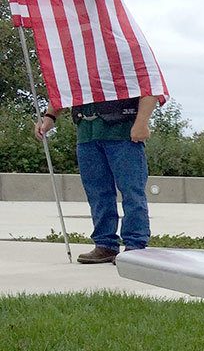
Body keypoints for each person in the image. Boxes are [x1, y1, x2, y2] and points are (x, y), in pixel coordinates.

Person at [34, 96, 158, 264]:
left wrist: (142, 122)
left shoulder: (127, 67)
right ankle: (105, 244)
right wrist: (50, 117)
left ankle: (135, 245)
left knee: (132, 191)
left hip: (123, 132)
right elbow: (62, 88)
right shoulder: (75, 68)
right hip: (87, 133)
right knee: (97, 193)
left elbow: (149, 87)